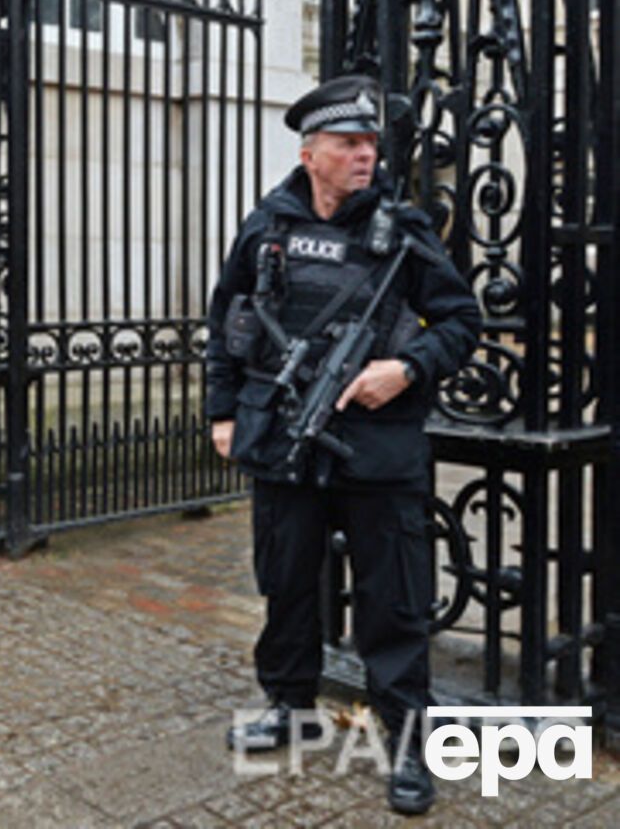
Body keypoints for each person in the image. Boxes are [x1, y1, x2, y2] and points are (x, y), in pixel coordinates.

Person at [205, 74, 481, 814]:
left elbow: (461, 321)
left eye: (369, 143)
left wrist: (407, 367)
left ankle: (408, 740)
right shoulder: (267, 223)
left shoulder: (405, 229)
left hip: (377, 445)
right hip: (283, 433)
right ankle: (289, 703)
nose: (364, 155)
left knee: (394, 599)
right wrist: (221, 411)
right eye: (347, 143)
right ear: (311, 152)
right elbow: (225, 317)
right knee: (287, 579)